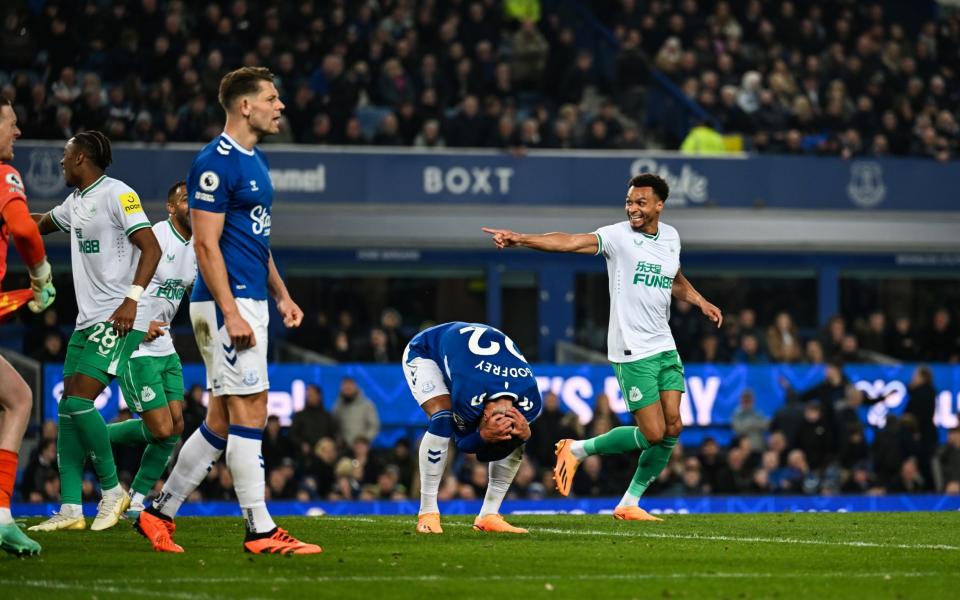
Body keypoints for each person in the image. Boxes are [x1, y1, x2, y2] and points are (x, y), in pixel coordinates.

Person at [136, 67, 320, 555]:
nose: (280, 106)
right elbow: (206, 245)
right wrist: (231, 312)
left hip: (246, 298)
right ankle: (259, 530)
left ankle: (158, 513)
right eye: (272, 98)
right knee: (251, 408)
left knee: (221, 418)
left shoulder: (254, 161)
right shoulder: (214, 162)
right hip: (227, 304)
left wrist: (281, 293)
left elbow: (255, 241)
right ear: (245, 106)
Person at [483, 172, 722, 521]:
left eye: (640, 202)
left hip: (663, 345)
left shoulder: (671, 237)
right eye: (629, 202)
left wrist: (701, 301)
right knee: (653, 433)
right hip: (631, 350)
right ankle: (577, 449)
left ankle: (629, 503)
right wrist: (521, 239)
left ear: (659, 205)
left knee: (673, 428)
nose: (632, 209)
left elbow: (674, 277)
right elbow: (569, 242)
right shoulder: (617, 237)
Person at [29, 130, 161, 533]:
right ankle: (71, 508)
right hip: (88, 321)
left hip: (119, 316)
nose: (61, 162)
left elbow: (151, 247)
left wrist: (132, 299)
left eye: (65, 156)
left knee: (80, 401)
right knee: (68, 407)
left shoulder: (119, 194)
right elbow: (38, 225)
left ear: (82, 157)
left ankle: (111, 490)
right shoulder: (77, 200)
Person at [105, 180, 195, 519]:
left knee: (175, 427)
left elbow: (195, 293)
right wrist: (140, 323)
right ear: (171, 208)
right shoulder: (155, 236)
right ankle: (93, 435)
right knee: (160, 429)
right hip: (136, 344)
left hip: (166, 346)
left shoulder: (199, 245)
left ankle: (137, 500)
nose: (193, 205)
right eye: (186, 199)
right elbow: (116, 282)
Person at [404, 321, 542, 534]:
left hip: (467, 355)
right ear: (484, 414)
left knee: (516, 433)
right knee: (442, 418)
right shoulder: (471, 393)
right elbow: (461, 442)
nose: (500, 425)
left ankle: (489, 515)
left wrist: (524, 434)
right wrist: (485, 436)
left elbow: (477, 443)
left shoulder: (531, 404)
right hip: (426, 350)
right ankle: (427, 512)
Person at [0, 96, 56, 556]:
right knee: (19, 400)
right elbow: (23, 229)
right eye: (12, 124)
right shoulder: (4, 175)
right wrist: (39, 277)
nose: (18, 133)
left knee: (16, 396)